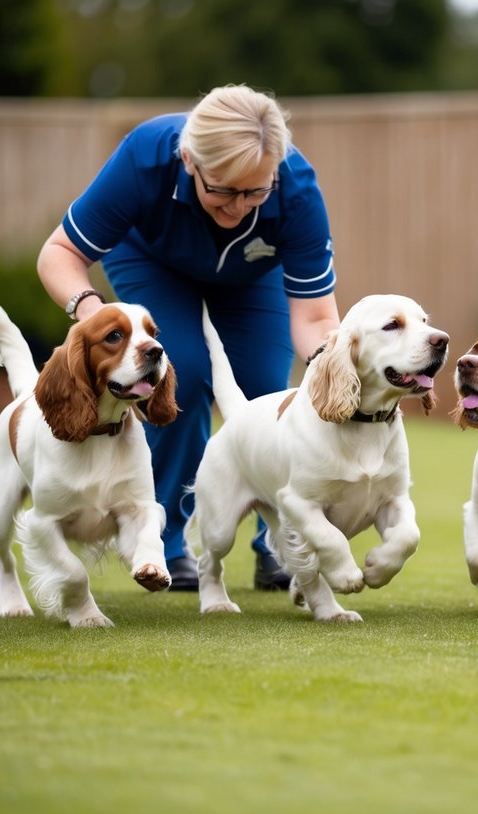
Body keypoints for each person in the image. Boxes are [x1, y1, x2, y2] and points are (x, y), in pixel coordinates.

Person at [36, 84, 341, 591]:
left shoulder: (297, 188)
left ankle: (281, 543)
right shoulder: (145, 156)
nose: (239, 206)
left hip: (250, 273)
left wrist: (338, 367)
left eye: (255, 192)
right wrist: (94, 314)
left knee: (268, 389)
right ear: (188, 160)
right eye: (222, 188)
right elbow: (59, 253)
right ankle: (165, 542)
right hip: (152, 258)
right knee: (181, 376)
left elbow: (314, 318)